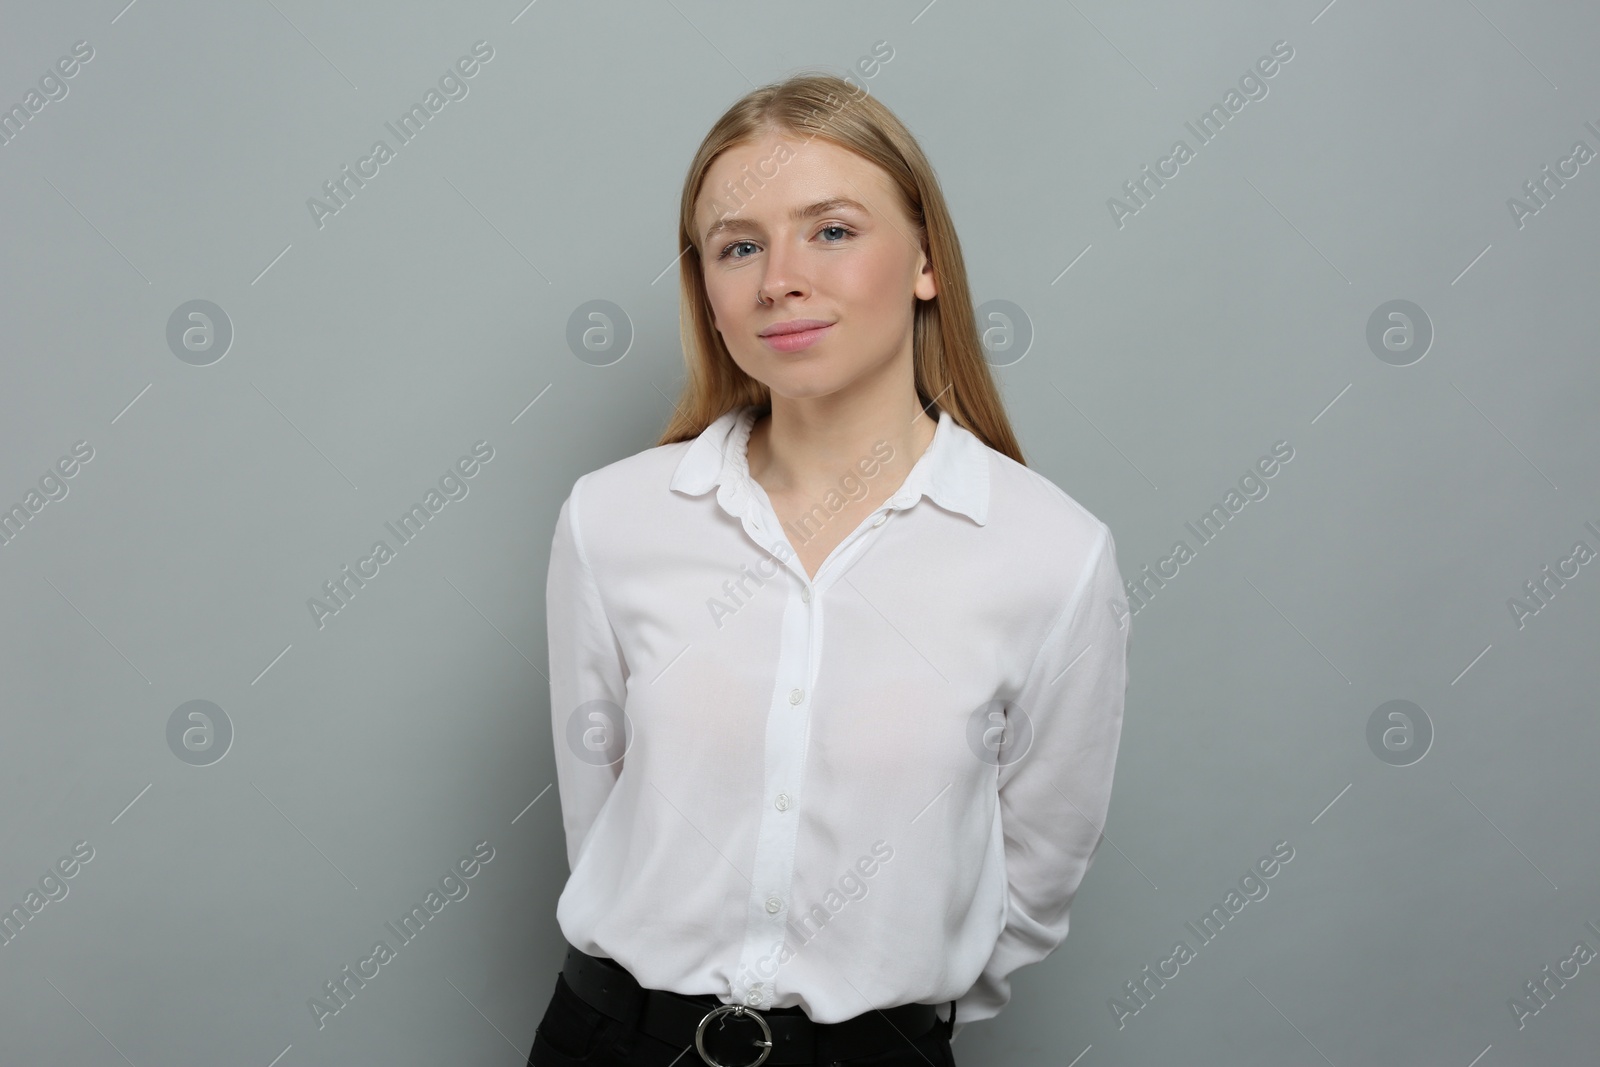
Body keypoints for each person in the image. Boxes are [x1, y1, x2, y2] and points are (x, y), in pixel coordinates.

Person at [529, 71, 1130, 1067]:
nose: (779, 277)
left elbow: (1035, 868)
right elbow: (602, 816)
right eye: (738, 245)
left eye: (833, 230)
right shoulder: (612, 519)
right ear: (708, 291)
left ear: (926, 260)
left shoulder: (1051, 552)